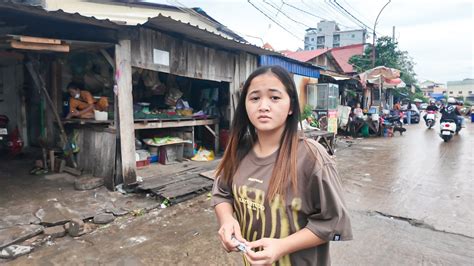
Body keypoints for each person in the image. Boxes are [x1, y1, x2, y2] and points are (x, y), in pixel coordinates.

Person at [211, 65, 352, 265]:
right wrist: (227, 221)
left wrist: (282, 246)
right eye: (254, 98)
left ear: (291, 106)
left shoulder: (312, 157)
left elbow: (333, 222)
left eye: (275, 98)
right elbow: (222, 193)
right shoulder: (238, 151)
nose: (263, 106)